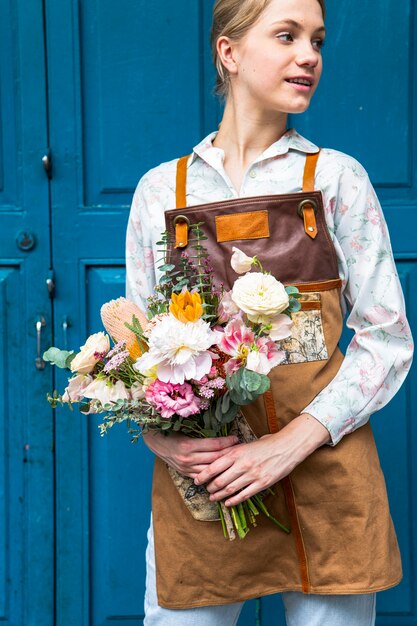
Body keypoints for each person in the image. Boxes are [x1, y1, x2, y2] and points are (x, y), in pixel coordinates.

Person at [125, 0, 414, 624]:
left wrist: (287, 445)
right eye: (286, 36)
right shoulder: (161, 192)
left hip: (325, 474)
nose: (308, 55)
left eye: (317, 40)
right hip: (207, 482)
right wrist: (163, 439)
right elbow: (142, 359)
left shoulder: (337, 180)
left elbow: (388, 341)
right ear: (228, 52)